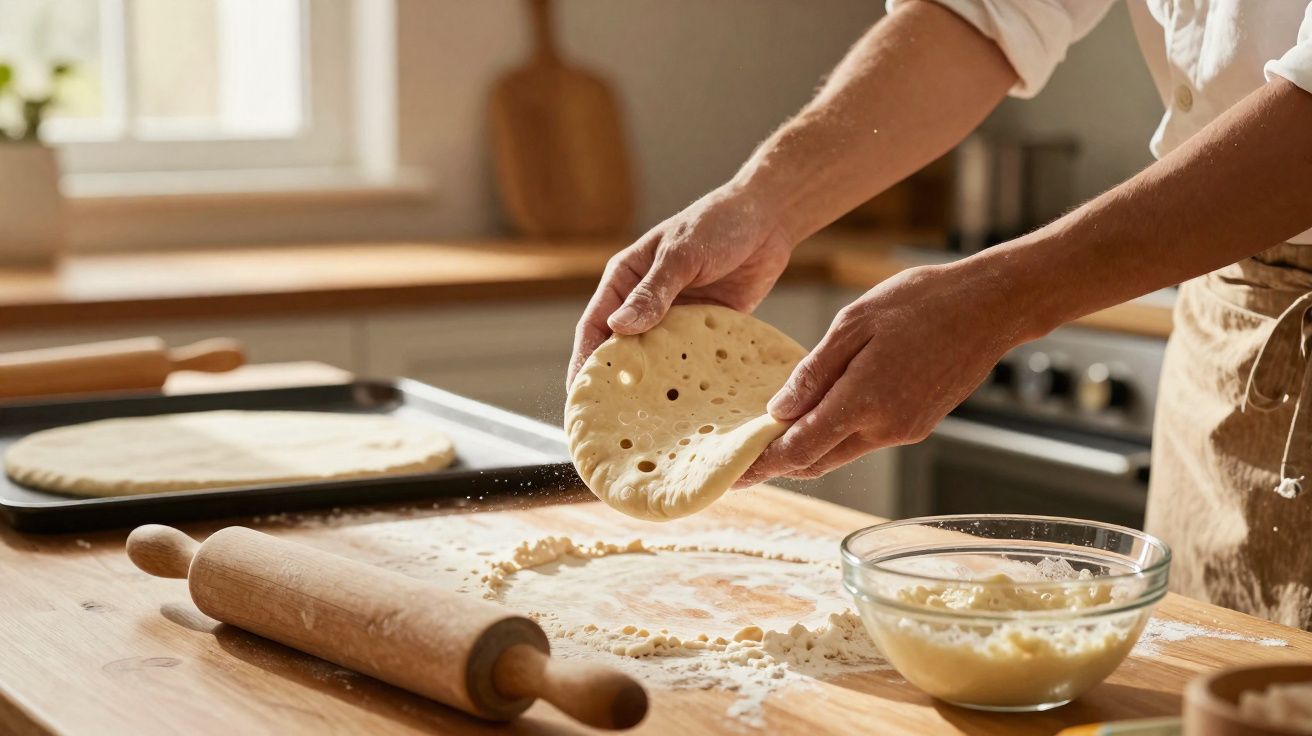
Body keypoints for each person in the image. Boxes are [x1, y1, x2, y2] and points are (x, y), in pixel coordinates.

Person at [567, 1, 1312, 628]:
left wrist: (999, 299)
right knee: (1209, 678)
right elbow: (984, 14)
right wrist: (764, 201)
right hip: (1225, 320)